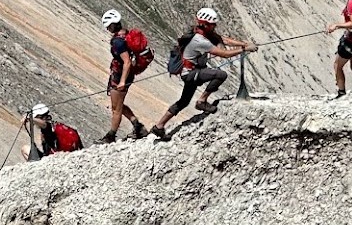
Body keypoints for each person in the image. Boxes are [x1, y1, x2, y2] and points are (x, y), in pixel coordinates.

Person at [150, 8, 256, 140]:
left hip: (190, 72)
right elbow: (223, 54)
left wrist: (244, 44)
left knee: (183, 102)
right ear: (205, 24)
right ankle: (202, 101)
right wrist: (244, 49)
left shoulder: (201, 31)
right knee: (220, 75)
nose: (215, 26)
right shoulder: (199, 40)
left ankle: (159, 126)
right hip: (191, 73)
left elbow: (223, 39)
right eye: (212, 24)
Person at [101, 9, 149, 143]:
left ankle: (111, 136)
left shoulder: (118, 42)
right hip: (124, 75)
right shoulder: (125, 34)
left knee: (116, 108)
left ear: (111, 25)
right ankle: (138, 126)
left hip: (120, 76)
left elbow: (127, 61)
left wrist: (122, 81)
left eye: (108, 26)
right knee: (118, 105)